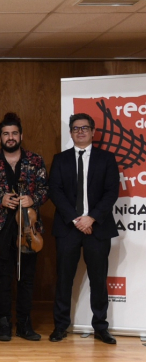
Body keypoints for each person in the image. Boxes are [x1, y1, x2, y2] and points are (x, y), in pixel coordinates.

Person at [49, 113, 119, 344]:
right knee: (64, 279)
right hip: (68, 228)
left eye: (85, 128)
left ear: (92, 131)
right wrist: (76, 219)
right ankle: (60, 326)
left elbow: (111, 193)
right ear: (70, 132)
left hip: (97, 228)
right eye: (76, 128)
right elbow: (55, 192)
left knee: (99, 280)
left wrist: (91, 218)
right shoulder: (60, 159)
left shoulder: (107, 159)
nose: (80, 131)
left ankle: (100, 326)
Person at [0, 113, 48, 342]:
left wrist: (33, 199)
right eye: (6, 134)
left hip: (28, 227)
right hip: (0, 228)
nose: (10, 137)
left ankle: (24, 323)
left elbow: (45, 189)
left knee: (27, 277)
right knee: (2, 276)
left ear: (21, 135)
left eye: (14, 133)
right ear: (0, 137)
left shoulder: (35, 160)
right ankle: (4, 322)